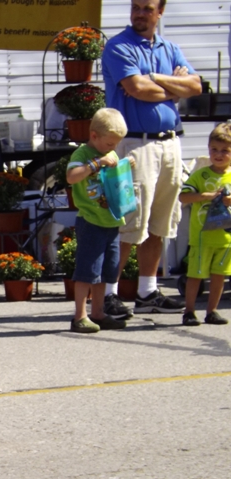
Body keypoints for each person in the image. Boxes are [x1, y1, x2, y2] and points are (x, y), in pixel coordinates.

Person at [101, 0, 201, 318]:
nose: (140, 13)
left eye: (147, 8)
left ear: (160, 12)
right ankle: (108, 295)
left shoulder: (170, 48)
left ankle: (147, 292)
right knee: (129, 222)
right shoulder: (119, 46)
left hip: (169, 143)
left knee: (160, 222)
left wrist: (155, 77)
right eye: (136, 7)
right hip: (135, 144)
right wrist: (174, 87)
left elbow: (196, 85)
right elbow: (137, 88)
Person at [65, 108, 131, 334]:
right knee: (87, 271)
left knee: (104, 272)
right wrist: (96, 163)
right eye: (111, 143)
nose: (114, 148)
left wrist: (124, 166)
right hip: (91, 221)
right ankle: (79, 316)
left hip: (110, 220)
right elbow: (71, 177)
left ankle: (98, 313)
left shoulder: (110, 153)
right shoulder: (82, 154)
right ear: (94, 136)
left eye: (116, 144)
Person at [179, 123, 231, 327]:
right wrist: (204, 196)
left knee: (219, 276)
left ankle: (212, 311)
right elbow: (184, 197)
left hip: (226, 238)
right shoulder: (200, 175)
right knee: (195, 275)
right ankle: (189, 311)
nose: (218, 154)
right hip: (202, 237)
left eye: (225, 150)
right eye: (214, 149)